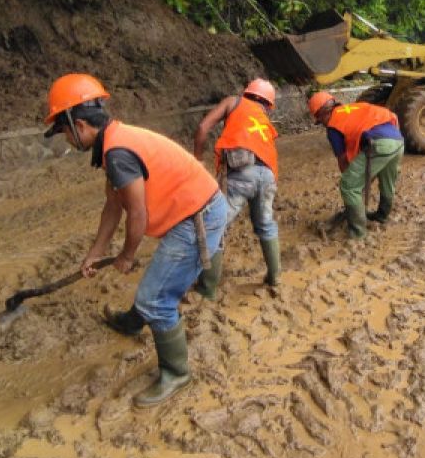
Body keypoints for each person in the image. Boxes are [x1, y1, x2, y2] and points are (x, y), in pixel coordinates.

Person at [43, 73, 229, 408]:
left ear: (80, 125)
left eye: (63, 131)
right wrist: (95, 253)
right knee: (157, 285)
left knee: (156, 298)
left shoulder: (118, 153)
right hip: (194, 209)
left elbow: (137, 215)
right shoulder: (115, 142)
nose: (66, 139)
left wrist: (126, 256)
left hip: (197, 216)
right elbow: (113, 205)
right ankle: (133, 321)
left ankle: (176, 373)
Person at [191, 78, 281, 297]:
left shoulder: (234, 102)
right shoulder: (263, 117)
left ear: (247, 93)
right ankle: (274, 277)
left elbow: (203, 126)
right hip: (268, 174)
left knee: (216, 226)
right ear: (268, 104)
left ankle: (208, 288)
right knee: (266, 224)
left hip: (240, 175)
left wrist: (197, 159)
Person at [308, 92, 404, 238]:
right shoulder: (355, 108)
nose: (323, 124)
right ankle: (382, 217)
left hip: (378, 144)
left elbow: (342, 160)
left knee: (348, 186)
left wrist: (353, 183)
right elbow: (392, 116)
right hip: (398, 140)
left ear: (322, 114)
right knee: (387, 182)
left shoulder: (333, 127)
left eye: (320, 121)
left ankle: (358, 233)